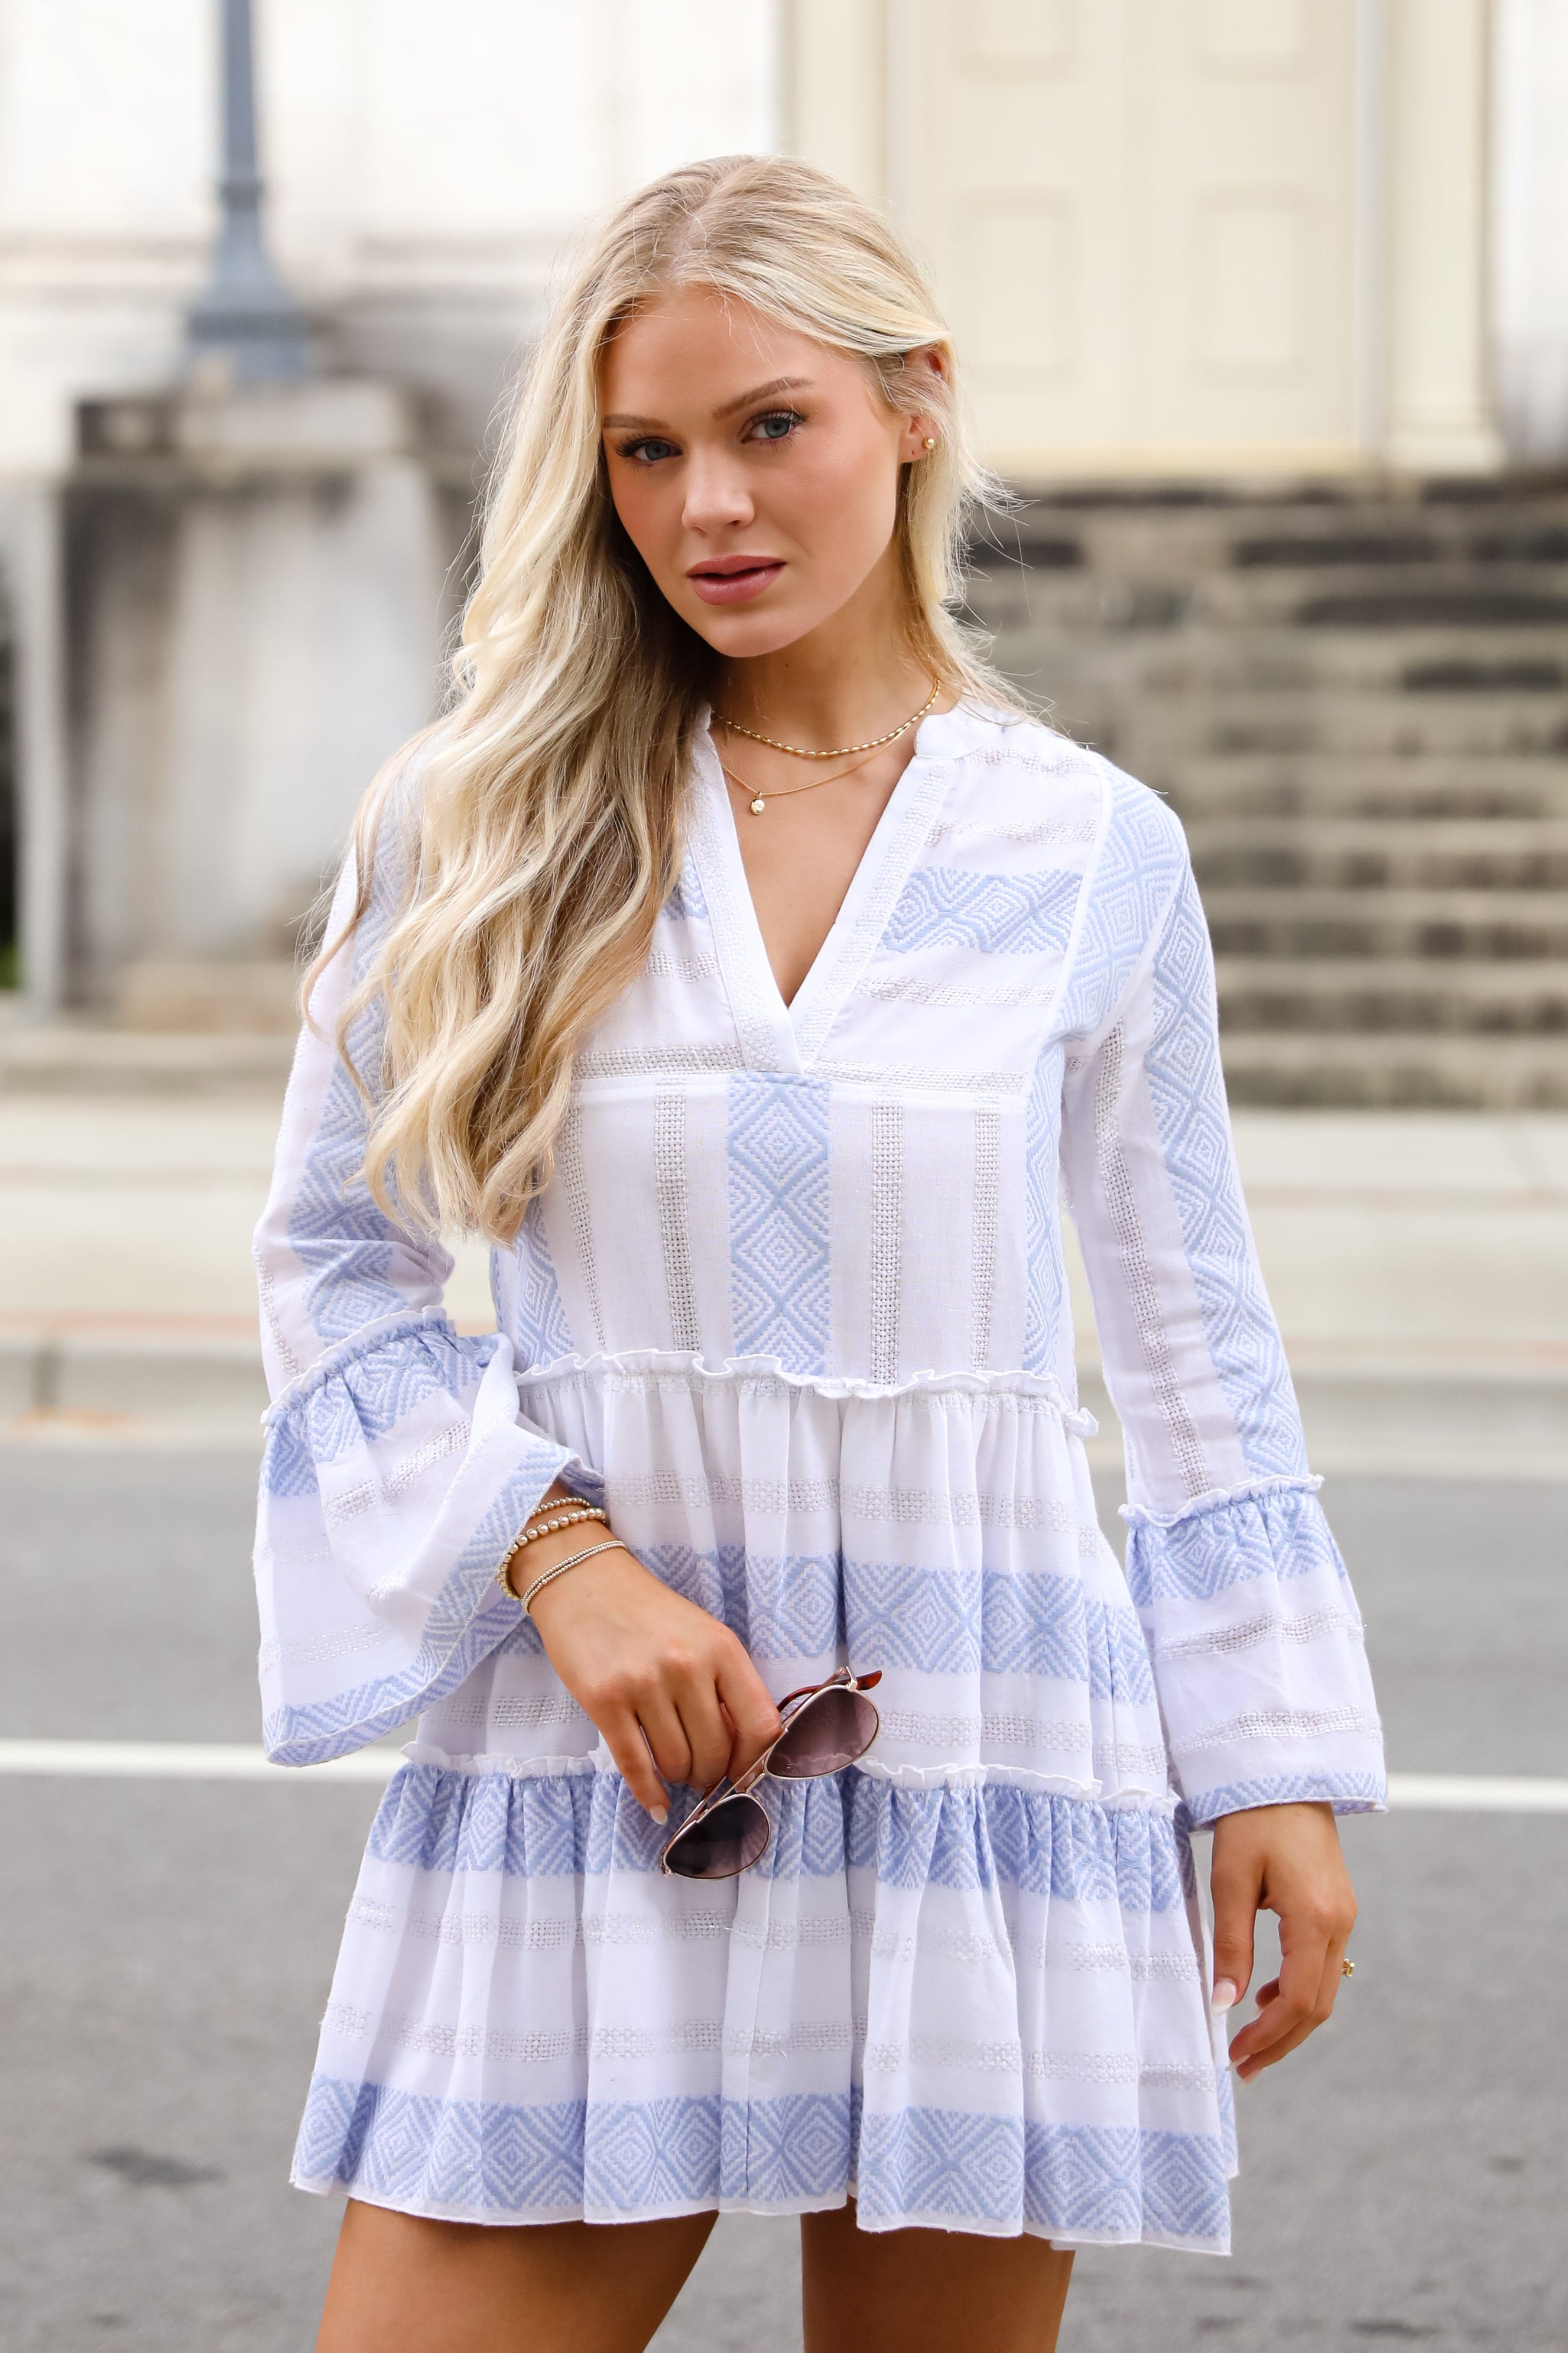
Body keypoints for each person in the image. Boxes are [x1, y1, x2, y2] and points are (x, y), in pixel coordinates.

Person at [252, 154, 1381, 2353]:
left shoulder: (1087, 852)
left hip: (986, 1745)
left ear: (915, 406)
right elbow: (332, 1264)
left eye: (772, 426)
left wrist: (1269, 1762)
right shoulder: (481, 817)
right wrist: (561, 1558)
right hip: (613, 1768)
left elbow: (1190, 1342)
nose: (709, 508)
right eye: (648, 451)